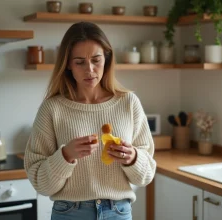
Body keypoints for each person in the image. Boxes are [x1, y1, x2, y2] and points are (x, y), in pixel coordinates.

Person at [24, 21, 156, 220]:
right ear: (67, 63)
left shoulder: (128, 103)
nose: (90, 69)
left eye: (96, 60)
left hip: (118, 212)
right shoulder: (52, 109)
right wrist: (66, 155)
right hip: (69, 213)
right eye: (79, 62)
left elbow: (146, 176)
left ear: (107, 59)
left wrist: (133, 158)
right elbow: (41, 184)